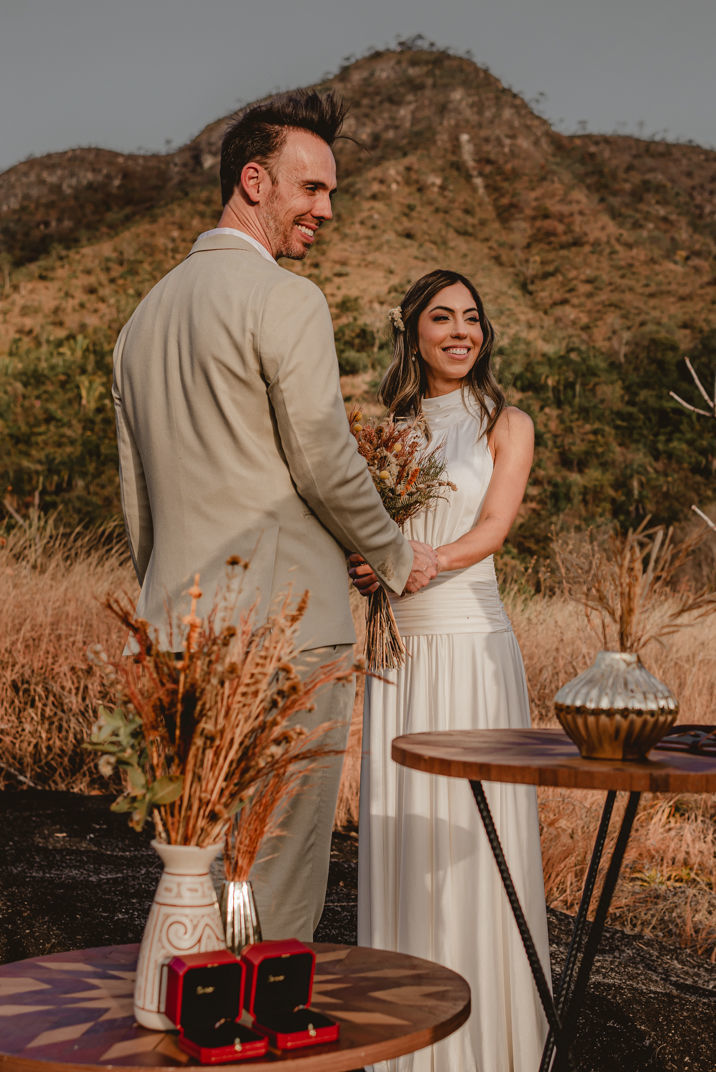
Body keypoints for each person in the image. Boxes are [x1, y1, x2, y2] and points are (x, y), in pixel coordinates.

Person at [111, 90, 438, 942]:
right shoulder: (287, 300)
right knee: (277, 872)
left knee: (196, 865)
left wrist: (167, 606)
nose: (327, 210)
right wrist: (396, 556)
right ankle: (267, 1047)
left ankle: (189, 1039)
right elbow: (325, 463)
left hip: (176, 634)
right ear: (253, 180)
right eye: (312, 188)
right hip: (288, 638)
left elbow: (138, 504)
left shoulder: (140, 322)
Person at [350, 269, 551, 1072]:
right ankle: (404, 1046)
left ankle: (489, 1042)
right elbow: (363, 526)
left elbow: (495, 525)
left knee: (478, 834)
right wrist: (370, 565)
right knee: (403, 827)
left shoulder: (507, 423)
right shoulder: (386, 427)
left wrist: (413, 560)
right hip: (399, 653)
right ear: (415, 332)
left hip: (470, 645)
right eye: (442, 317)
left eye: (471, 318)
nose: (460, 331)